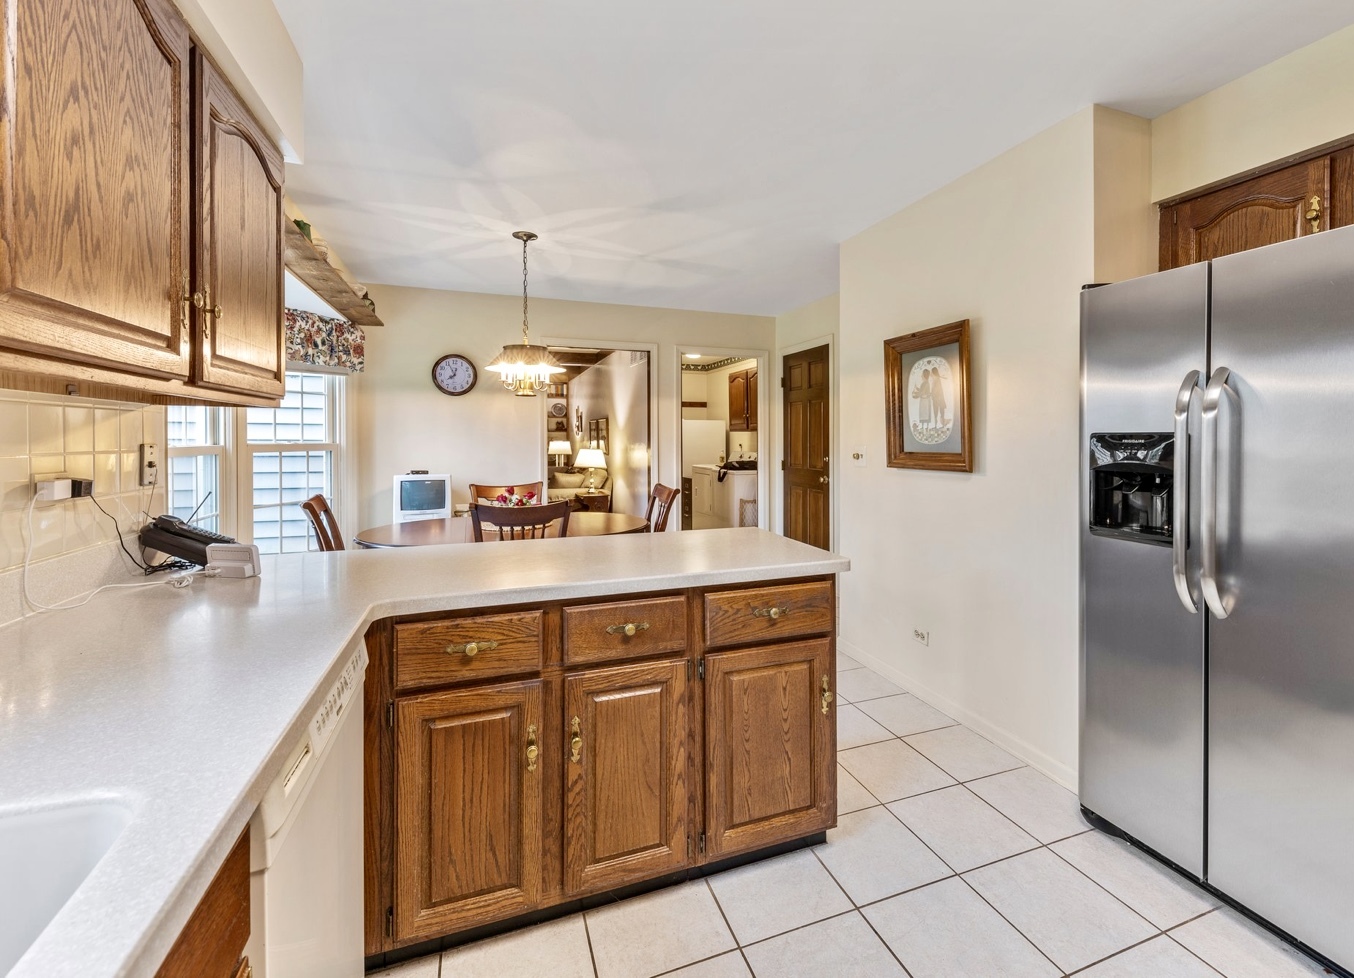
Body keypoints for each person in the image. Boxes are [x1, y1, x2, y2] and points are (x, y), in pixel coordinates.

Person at [912, 367, 932, 432]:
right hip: (924, 400)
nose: (921, 376)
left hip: (925, 400)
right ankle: (923, 427)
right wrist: (917, 389)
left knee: (925, 413)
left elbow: (922, 392)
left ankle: (926, 427)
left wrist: (916, 393)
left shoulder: (925, 383)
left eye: (922, 375)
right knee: (923, 413)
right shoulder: (925, 383)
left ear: (924, 375)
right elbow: (921, 390)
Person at [930, 363, 948, 433]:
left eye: (931, 372)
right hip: (936, 399)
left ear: (933, 373)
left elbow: (936, 390)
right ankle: (937, 426)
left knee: (939, 412)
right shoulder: (935, 380)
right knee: (937, 412)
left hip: (938, 399)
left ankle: (940, 426)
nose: (931, 374)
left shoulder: (936, 380)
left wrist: (932, 394)